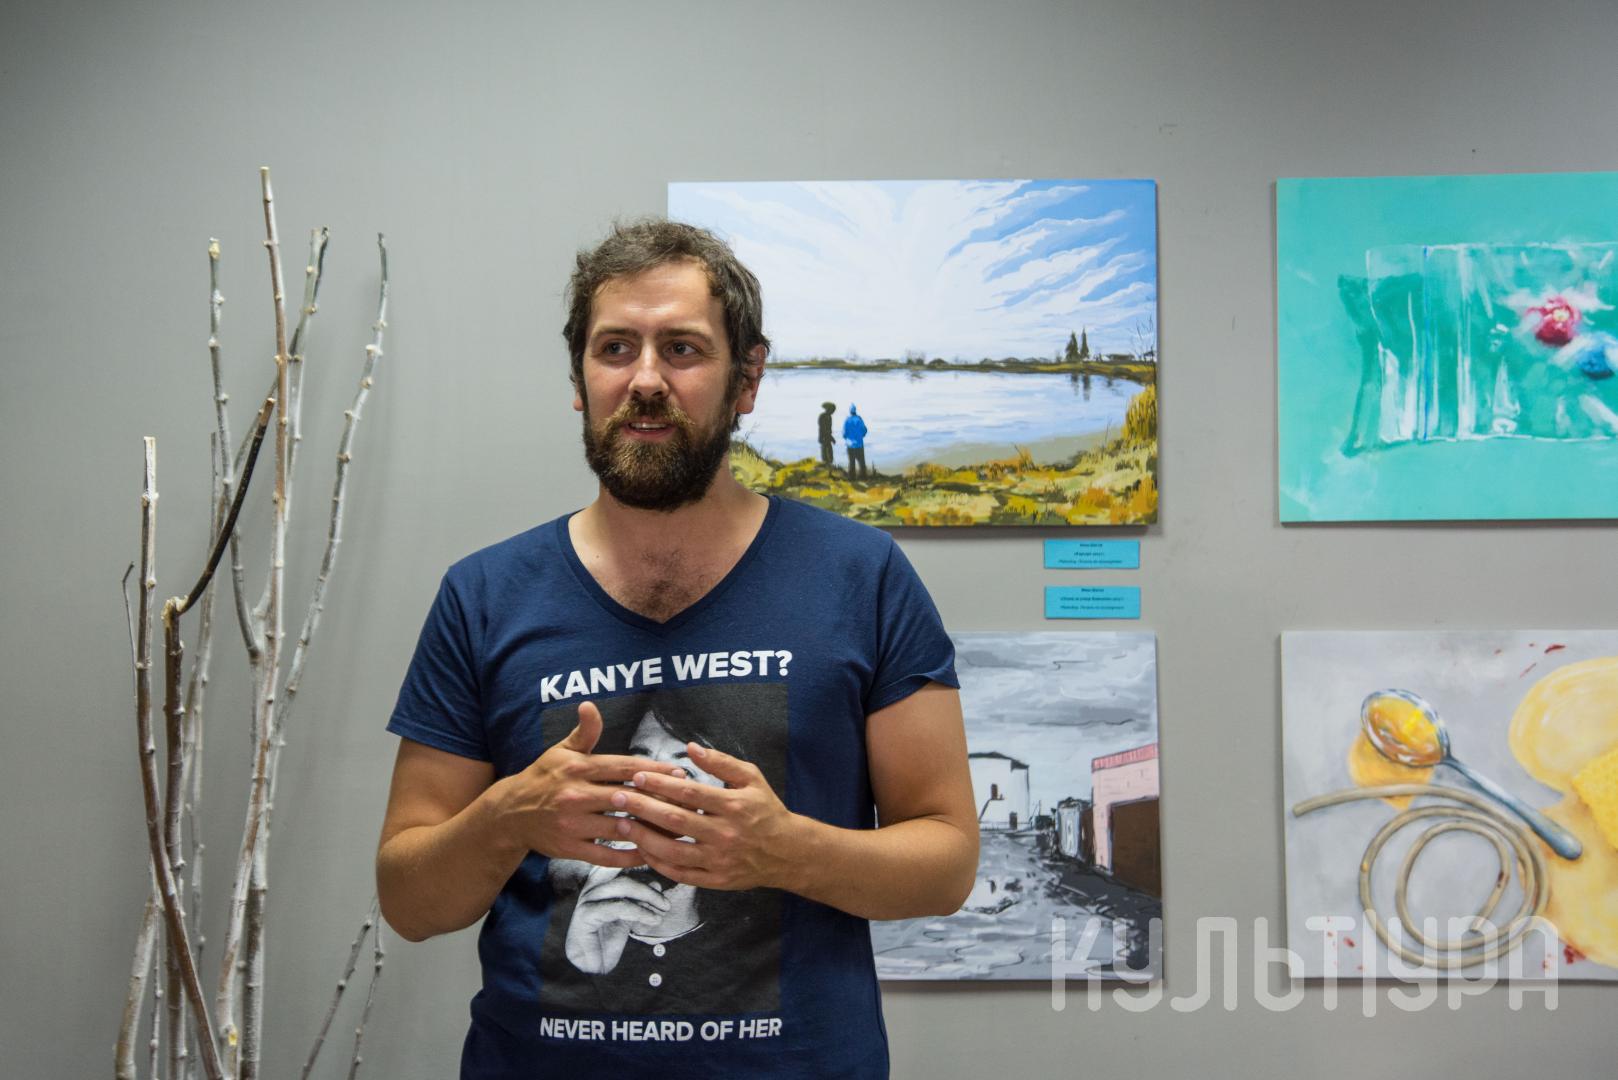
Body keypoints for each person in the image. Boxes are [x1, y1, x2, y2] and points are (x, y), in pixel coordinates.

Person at [375, 218, 978, 1079]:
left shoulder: (862, 577)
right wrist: (511, 818)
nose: (646, 380)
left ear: (747, 380)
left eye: (683, 349)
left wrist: (782, 849)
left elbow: (946, 863)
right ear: (579, 380)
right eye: (615, 348)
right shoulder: (484, 596)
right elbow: (408, 899)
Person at [842, 403, 868, 479]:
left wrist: (847, 438)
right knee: (861, 461)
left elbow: (844, 433)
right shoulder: (859, 419)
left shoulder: (847, 420)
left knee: (851, 462)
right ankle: (863, 476)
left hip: (850, 445)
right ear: (855, 410)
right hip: (859, 444)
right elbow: (864, 430)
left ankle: (852, 477)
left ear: (850, 411)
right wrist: (861, 436)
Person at [817, 400, 837, 469]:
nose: (833, 412)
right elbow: (823, 428)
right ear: (828, 409)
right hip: (824, 438)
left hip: (828, 437)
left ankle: (829, 466)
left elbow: (828, 429)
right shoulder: (822, 416)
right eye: (832, 410)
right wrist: (831, 438)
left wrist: (831, 437)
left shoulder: (829, 417)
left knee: (830, 454)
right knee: (825, 455)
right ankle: (826, 467)